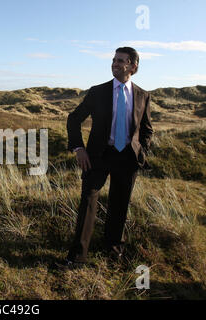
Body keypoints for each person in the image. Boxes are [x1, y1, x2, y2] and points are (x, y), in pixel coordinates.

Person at [65, 46, 153, 266]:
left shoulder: (143, 95)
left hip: (128, 158)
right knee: (88, 203)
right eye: (114, 59)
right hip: (97, 156)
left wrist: (141, 150)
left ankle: (114, 252)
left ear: (133, 66)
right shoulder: (98, 91)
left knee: (120, 205)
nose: (115, 63)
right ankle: (78, 257)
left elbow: (147, 129)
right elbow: (74, 119)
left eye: (121, 60)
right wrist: (79, 149)